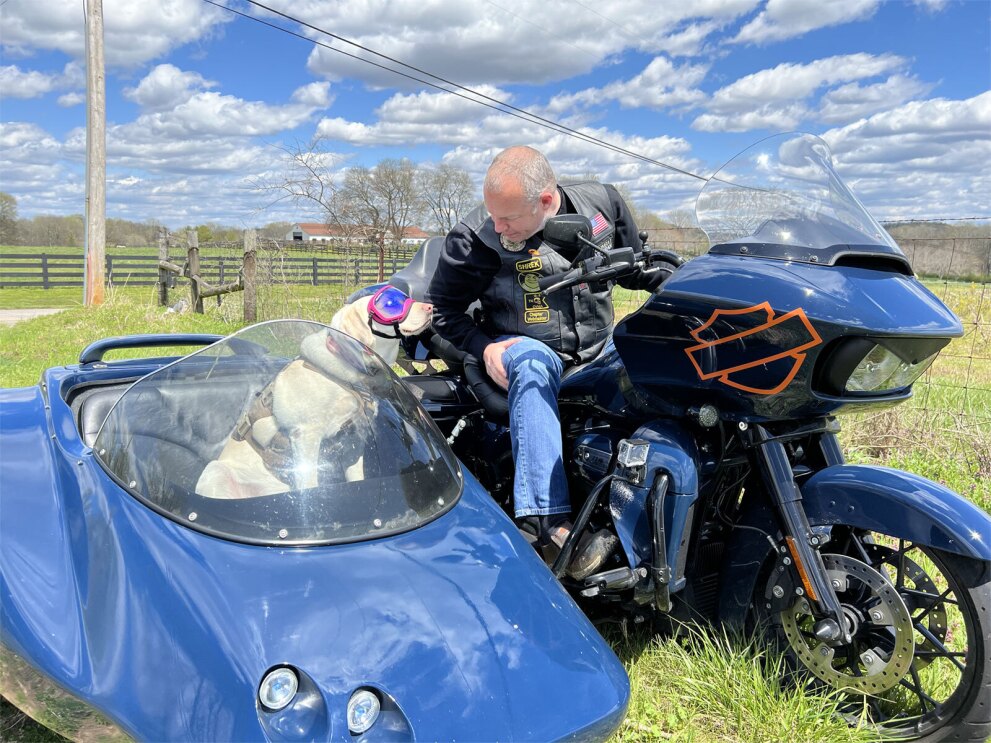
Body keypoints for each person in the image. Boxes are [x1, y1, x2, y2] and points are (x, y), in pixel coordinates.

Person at [426, 145, 663, 577]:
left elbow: (633, 269)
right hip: (526, 346)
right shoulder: (475, 238)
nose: (498, 226)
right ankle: (548, 527)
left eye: (509, 218)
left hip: (598, 347)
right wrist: (485, 347)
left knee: (657, 351)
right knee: (533, 367)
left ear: (548, 201)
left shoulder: (602, 205)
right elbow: (443, 310)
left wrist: (673, 280)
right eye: (494, 215)